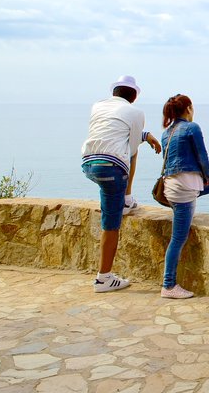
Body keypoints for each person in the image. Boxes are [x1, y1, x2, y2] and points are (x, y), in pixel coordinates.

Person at [82, 75, 162, 293]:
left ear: (114, 92)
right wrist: (146, 136)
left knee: (109, 192)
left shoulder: (98, 106)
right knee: (111, 225)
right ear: (134, 96)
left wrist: (146, 135)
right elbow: (133, 143)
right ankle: (103, 278)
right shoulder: (136, 112)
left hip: (89, 163)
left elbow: (114, 131)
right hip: (111, 168)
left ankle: (122, 201)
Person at [159, 94, 209, 299]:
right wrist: (207, 176)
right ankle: (168, 285)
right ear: (188, 108)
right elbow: (202, 156)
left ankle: (190, 201)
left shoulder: (166, 133)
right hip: (184, 189)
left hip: (171, 188)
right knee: (178, 238)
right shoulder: (192, 128)